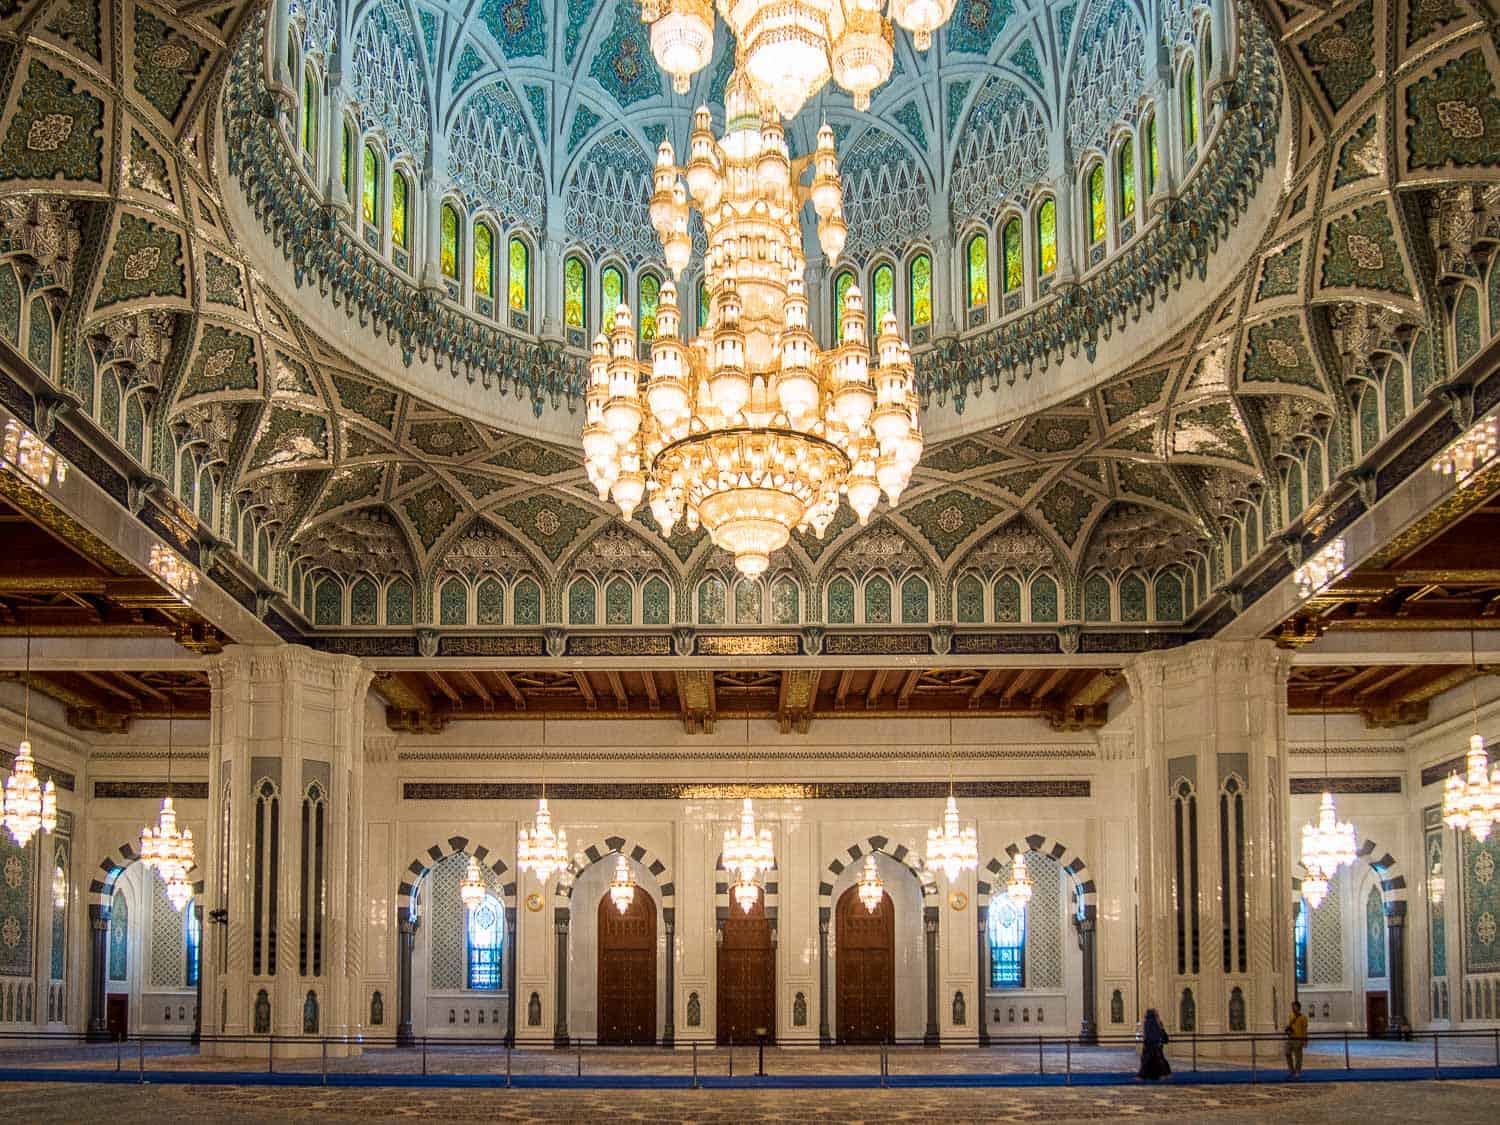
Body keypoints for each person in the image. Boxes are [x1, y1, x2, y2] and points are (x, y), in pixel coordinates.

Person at [1138, 1008, 1171, 1081]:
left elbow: (1150, 1034)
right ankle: (1163, 1074)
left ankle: (1147, 1076)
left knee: (1152, 1060)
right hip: (1156, 1044)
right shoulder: (1157, 1022)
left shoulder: (1149, 1022)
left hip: (1152, 1045)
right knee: (1158, 1059)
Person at [1284, 1000, 1309, 1078]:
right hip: (1290, 1038)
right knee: (1287, 1053)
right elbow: (1290, 1026)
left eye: (1294, 1006)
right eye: (1292, 1006)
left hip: (1298, 1039)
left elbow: (1305, 1030)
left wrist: (1305, 1040)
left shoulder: (1303, 1017)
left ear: (1298, 1007)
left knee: (1298, 1057)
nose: (1293, 1008)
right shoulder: (1291, 1016)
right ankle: (1291, 1071)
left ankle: (1297, 1072)